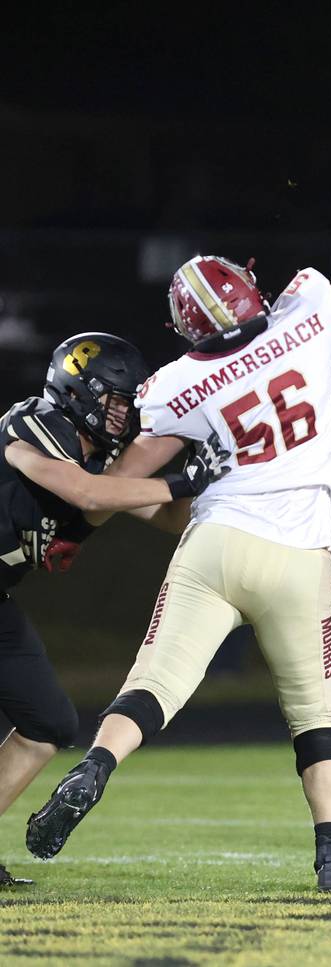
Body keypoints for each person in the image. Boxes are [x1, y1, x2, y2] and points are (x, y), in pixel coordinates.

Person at [27, 128, 331, 892]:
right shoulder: (304, 323)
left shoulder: (177, 384)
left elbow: (125, 474)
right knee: (317, 708)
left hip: (216, 539)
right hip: (299, 553)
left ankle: (94, 768)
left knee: (154, 680)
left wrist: (78, 526)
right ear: (252, 294)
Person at [0, 332, 226, 887]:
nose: (123, 416)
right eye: (115, 402)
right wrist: (181, 477)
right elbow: (87, 496)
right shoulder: (31, 426)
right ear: (78, 389)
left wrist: (203, 467)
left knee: (47, 721)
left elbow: (169, 518)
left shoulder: (102, 462)